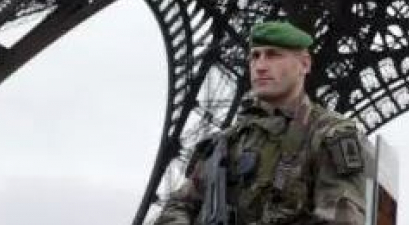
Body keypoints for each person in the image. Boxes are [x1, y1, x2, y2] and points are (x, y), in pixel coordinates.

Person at [156, 20, 370, 224]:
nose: (260, 66)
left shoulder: (331, 134)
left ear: (304, 64)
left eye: (273, 55)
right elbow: (179, 205)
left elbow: (343, 219)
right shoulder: (222, 144)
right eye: (255, 56)